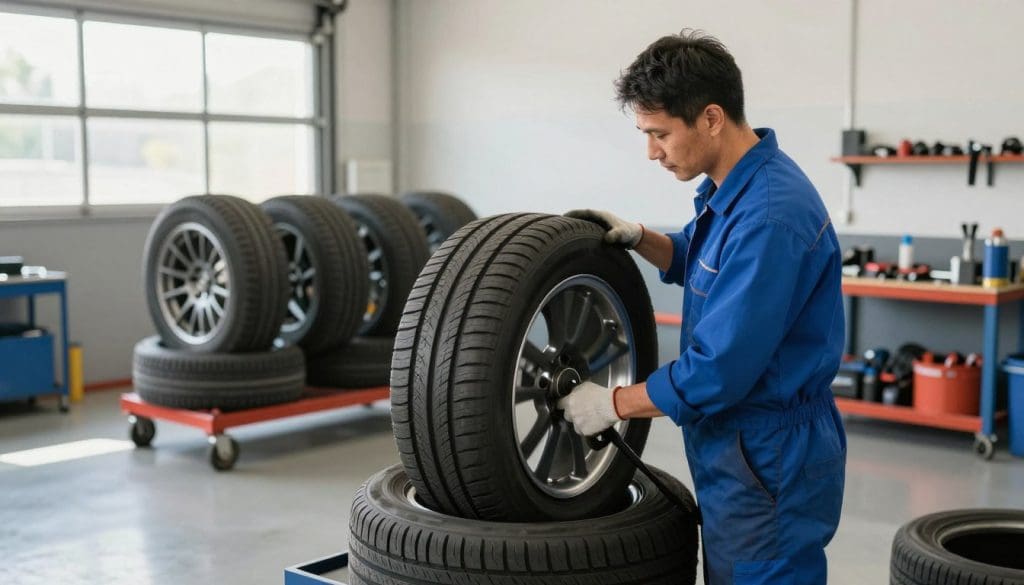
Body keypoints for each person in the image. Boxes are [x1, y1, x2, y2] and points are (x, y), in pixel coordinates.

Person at [558, 30, 846, 584]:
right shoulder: (737, 187)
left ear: (711, 118)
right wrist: (640, 236)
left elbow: (718, 371)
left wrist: (612, 404)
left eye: (660, 134)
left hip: (768, 456)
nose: (652, 152)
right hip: (741, 449)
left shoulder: (768, 216)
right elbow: (700, 256)